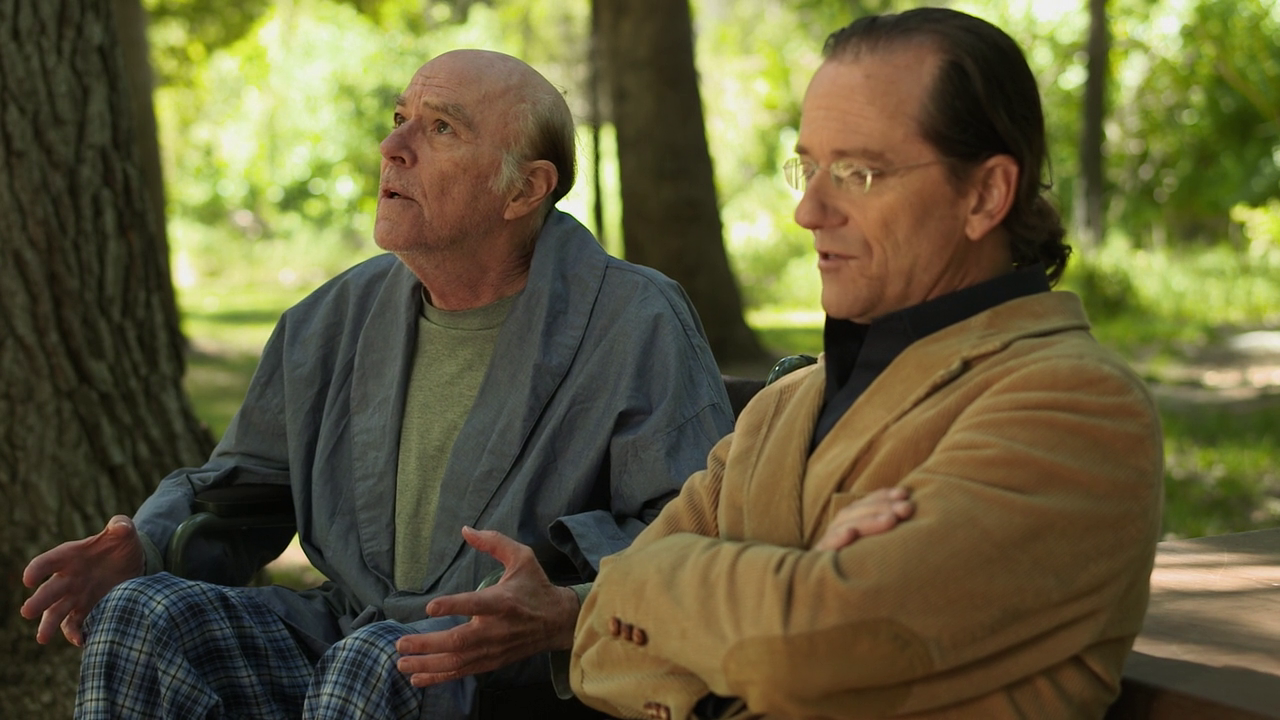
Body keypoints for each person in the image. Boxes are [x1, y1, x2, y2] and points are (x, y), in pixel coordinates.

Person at [21, 49, 738, 719]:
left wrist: (568, 607)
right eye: (400, 119)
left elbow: (697, 534)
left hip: (518, 671)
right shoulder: (331, 318)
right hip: (346, 636)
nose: (393, 147)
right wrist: (145, 544)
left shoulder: (635, 319)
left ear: (523, 188)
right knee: (139, 615)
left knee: (377, 661)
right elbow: (241, 491)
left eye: (441, 128)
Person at [571, 8, 1164, 719]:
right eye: (810, 167)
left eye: (858, 172)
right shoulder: (782, 406)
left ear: (985, 195)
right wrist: (792, 590)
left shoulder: (1077, 405)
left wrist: (642, 579)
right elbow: (593, 646)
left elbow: (808, 647)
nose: (809, 210)